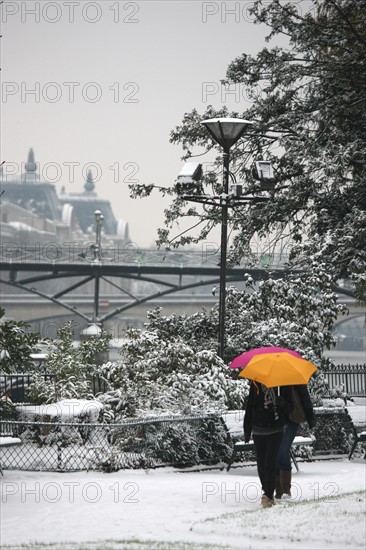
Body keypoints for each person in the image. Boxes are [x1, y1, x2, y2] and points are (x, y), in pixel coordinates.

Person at [244, 382, 292, 508]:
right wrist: (247, 429)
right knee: (261, 464)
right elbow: (250, 406)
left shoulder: (282, 385)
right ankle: (267, 491)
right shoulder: (255, 385)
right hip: (258, 429)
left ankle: (268, 494)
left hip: (276, 429)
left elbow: (290, 407)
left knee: (270, 462)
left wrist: (281, 403)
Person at [275, 384, 315, 499]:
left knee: (283, 450)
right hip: (277, 421)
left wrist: (310, 417)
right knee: (277, 452)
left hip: (292, 419)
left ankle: (286, 489)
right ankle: (278, 490)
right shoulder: (273, 381)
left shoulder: (294, 379)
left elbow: (304, 397)